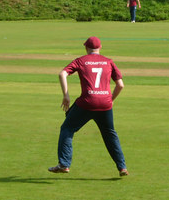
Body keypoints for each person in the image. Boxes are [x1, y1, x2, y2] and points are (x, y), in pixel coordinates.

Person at [48, 36, 128, 177]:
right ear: (100, 47)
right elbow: (120, 85)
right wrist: (111, 99)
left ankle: (64, 164)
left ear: (86, 48)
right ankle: (122, 167)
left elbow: (62, 74)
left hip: (86, 102)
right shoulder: (108, 62)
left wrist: (66, 95)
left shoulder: (81, 60)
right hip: (105, 103)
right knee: (110, 134)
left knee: (67, 128)